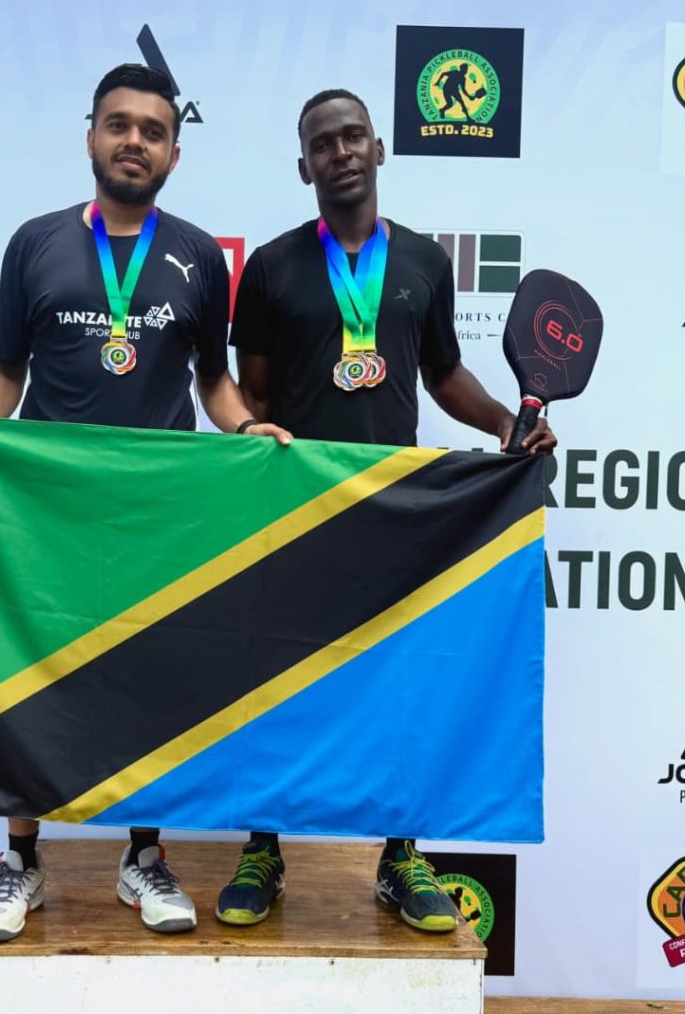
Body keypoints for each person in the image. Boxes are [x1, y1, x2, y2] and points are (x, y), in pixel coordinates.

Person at [0, 63, 289, 943]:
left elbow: (213, 380)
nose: (135, 141)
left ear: (174, 153)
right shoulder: (35, 243)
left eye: (153, 131)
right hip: (44, 509)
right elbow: (6, 368)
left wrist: (248, 428)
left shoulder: (200, 256)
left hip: (157, 510)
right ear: (90, 135)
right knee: (25, 668)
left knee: (149, 672)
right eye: (119, 124)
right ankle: (21, 860)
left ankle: (144, 855)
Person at [219, 88, 555, 933]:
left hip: (392, 511)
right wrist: (264, 461)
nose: (339, 152)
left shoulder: (424, 264)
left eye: (352, 137)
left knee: (397, 683)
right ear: (304, 167)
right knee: (278, 681)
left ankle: (400, 855)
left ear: (378, 148)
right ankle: (263, 847)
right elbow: (251, 394)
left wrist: (507, 424)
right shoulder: (270, 266)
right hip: (296, 510)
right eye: (321, 144)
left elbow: (443, 375)